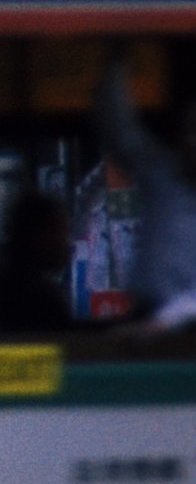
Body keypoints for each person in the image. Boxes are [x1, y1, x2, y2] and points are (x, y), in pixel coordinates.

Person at [96, 61, 196, 330]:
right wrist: (117, 59)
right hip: (146, 314)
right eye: (190, 130)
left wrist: (164, 322)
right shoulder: (162, 171)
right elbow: (121, 132)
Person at [0, 191, 75, 333]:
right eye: (60, 232)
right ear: (37, 236)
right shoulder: (36, 296)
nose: (68, 245)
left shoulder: (11, 282)